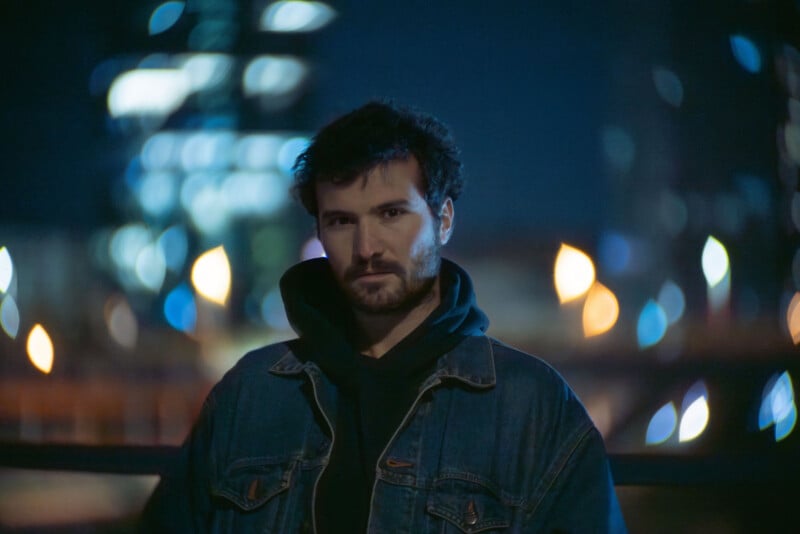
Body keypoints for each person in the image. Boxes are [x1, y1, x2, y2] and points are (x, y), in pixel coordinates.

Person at [141, 100, 627, 532]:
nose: (366, 247)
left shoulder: (532, 408)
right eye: (341, 221)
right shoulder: (250, 396)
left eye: (391, 214)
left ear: (444, 219)